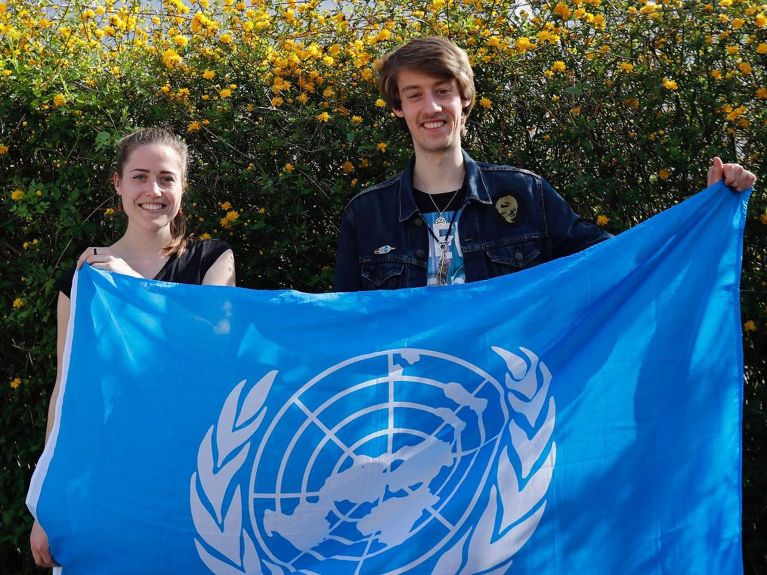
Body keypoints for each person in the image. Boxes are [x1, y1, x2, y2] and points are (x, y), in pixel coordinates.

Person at [333, 36, 756, 291]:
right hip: (412, 417)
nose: (432, 107)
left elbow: (622, 267)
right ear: (397, 108)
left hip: (508, 415)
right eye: (415, 95)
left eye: (443, 91)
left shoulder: (525, 195)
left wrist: (705, 212)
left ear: (465, 99)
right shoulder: (367, 216)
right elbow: (343, 330)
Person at [29, 127, 236, 568]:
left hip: (192, 472)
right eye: (139, 176)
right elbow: (67, 393)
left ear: (183, 187)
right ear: (118, 184)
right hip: (107, 474)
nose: (153, 191)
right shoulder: (84, 281)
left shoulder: (213, 260)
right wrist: (50, 497)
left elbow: (215, 347)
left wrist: (135, 287)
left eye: (166, 178)